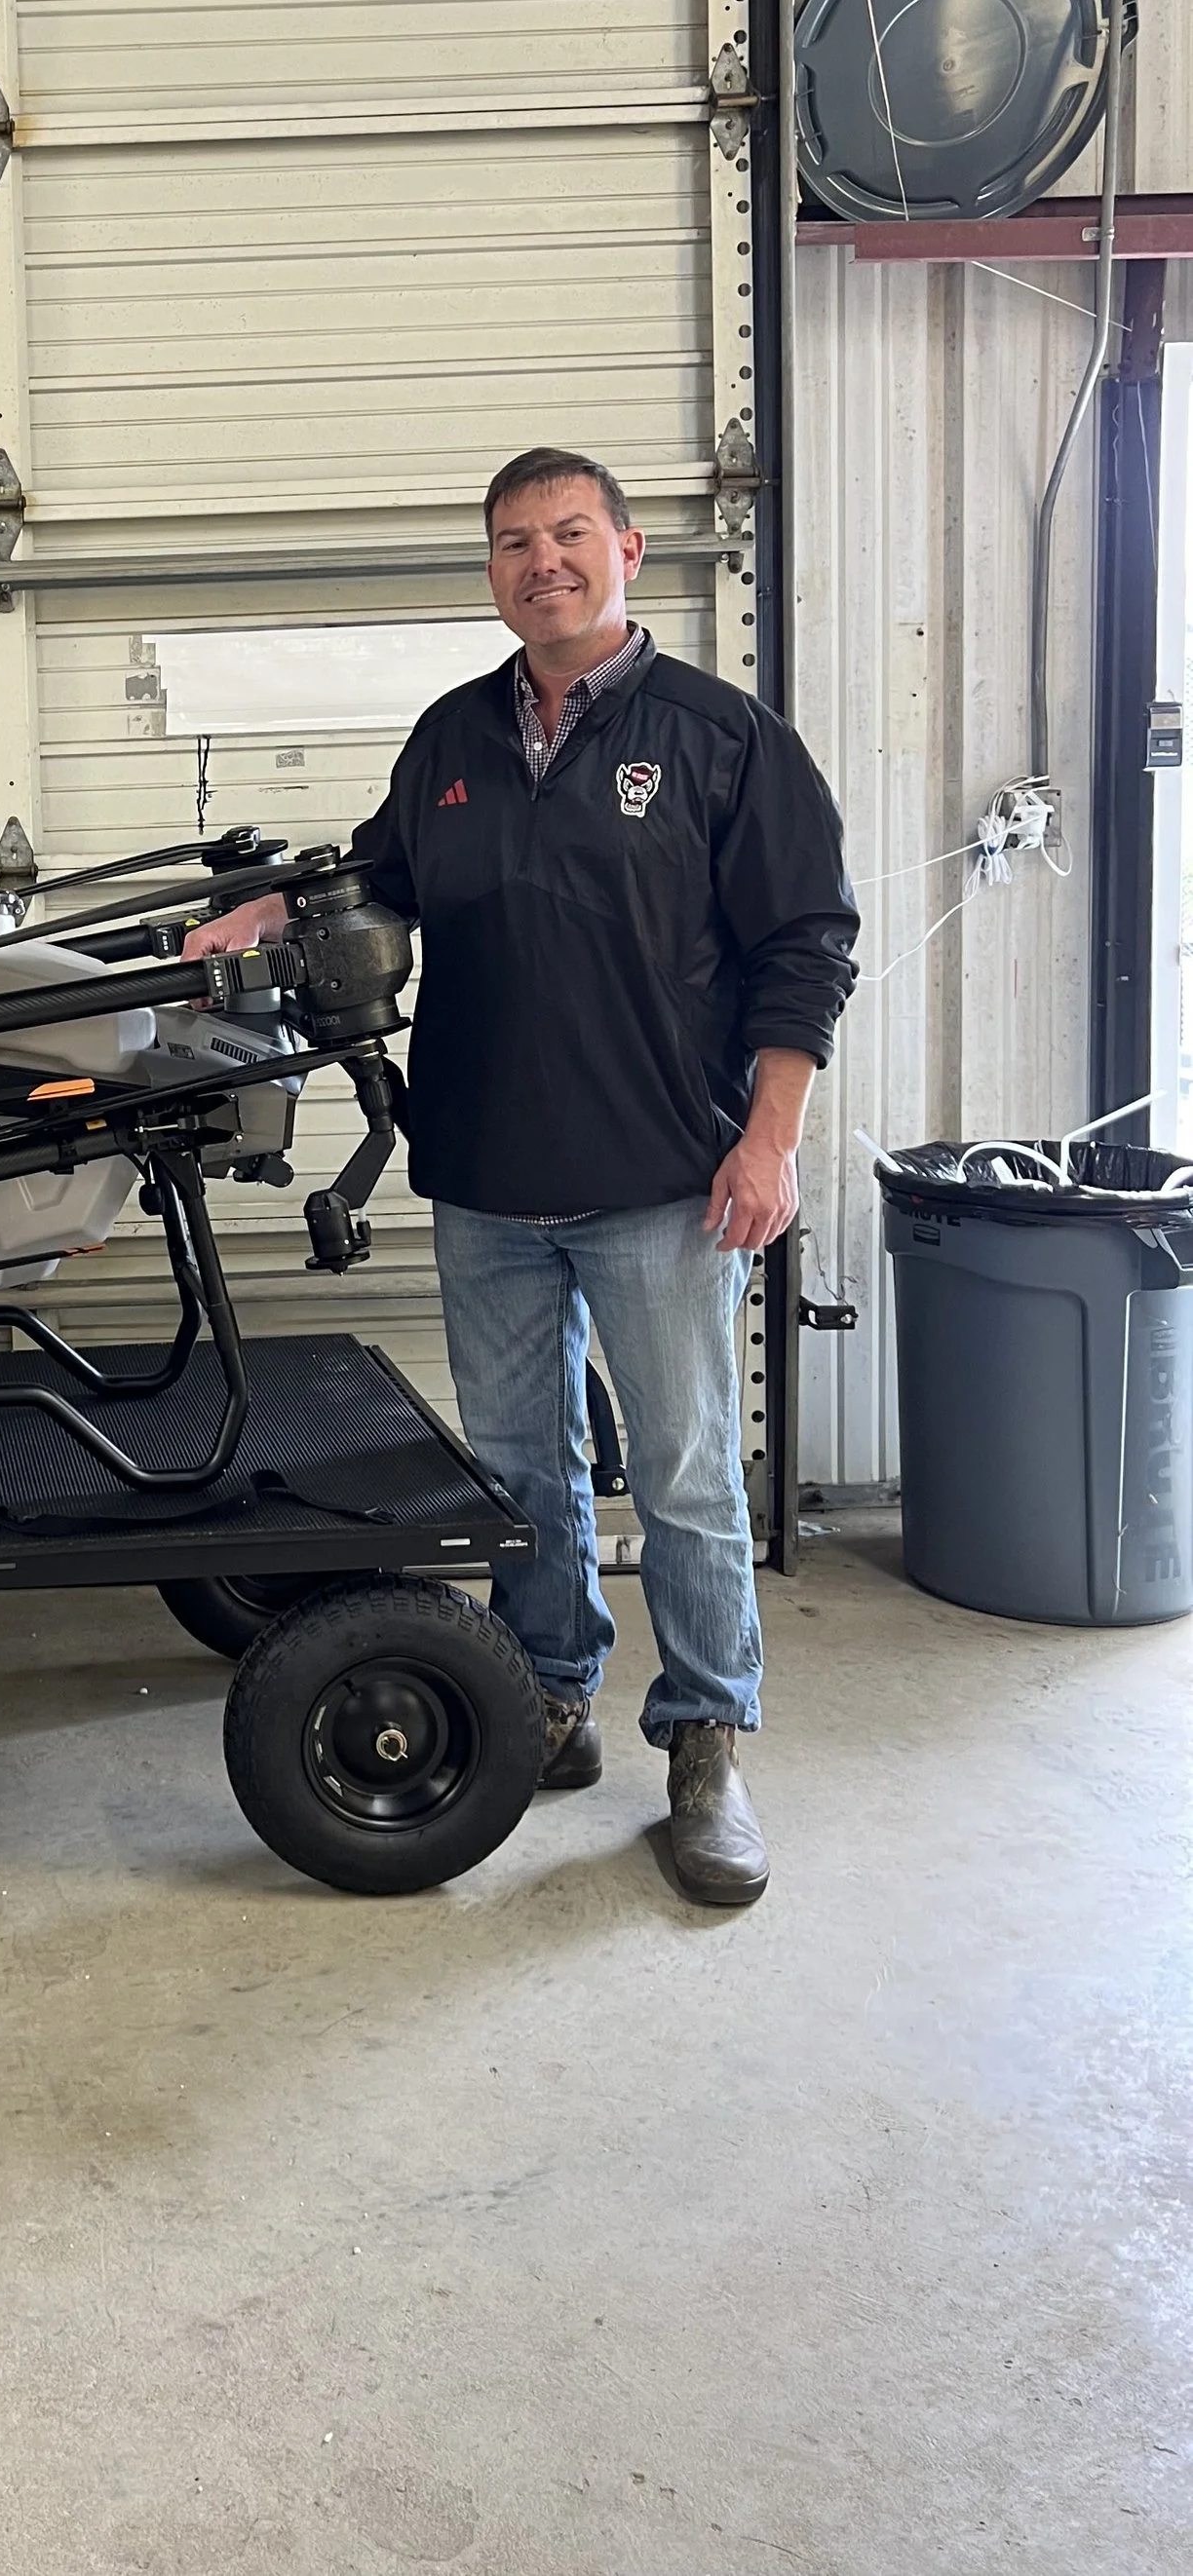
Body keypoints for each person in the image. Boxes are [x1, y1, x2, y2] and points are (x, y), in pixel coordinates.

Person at [192, 449, 857, 1905]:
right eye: (512, 542)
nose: (540, 561)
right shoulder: (449, 738)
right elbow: (379, 881)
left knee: (683, 1481)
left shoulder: (722, 739)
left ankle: (705, 1748)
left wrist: (771, 1137)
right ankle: (548, 1694)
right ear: (491, 570)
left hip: (664, 1182)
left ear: (626, 548)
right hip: (487, 1175)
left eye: (567, 534)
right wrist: (270, 908)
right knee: (520, 1473)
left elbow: (807, 944)